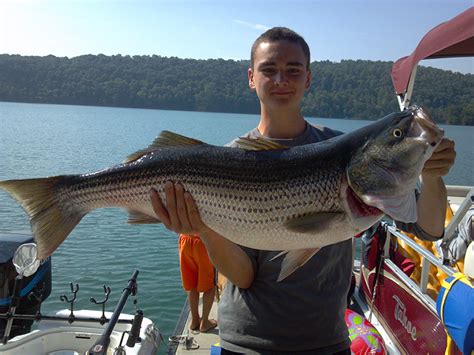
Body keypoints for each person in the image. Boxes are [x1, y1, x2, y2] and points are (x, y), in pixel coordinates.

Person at [150, 27, 456, 354]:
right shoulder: (228, 161)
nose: (281, 78)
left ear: (308, 79)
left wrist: (432, 172)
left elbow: (430, 228)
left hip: (327, 340)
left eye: (293, 70)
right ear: (251, 78)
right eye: (269, 69)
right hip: (247, 342)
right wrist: (203, 230)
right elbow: (244, 277)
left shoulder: (346, 152)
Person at [178, 233, 217, 332]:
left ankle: (195, 320)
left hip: (185, 239)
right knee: (210, 285)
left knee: (192, 284)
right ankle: (204, 322)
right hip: (202, 240)